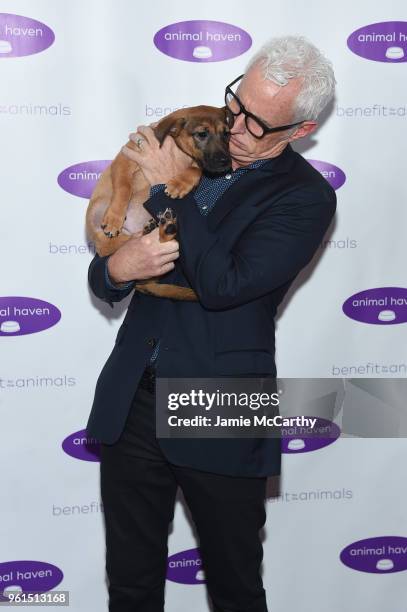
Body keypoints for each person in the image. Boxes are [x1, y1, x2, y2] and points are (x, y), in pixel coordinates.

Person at [86, 36, 336, 612]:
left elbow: (225, 286)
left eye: (260, 124)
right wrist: (115, 268)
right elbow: (110, 265)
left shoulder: (306, 198)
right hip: (134, 397)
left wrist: (161, 187)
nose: (237, 129)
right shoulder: (192, 142)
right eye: (236, 106)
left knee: (234, 587)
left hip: (221, 401)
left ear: (298, 132)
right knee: (129, 583)